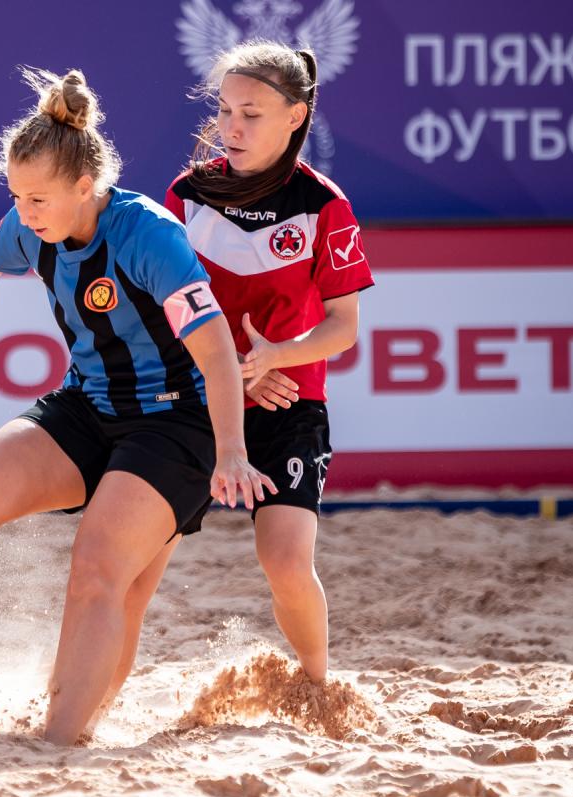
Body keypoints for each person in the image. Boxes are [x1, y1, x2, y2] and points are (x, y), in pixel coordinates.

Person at [0, 66, 274, 746]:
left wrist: (230, 451)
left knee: (106, 574)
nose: (24, 213)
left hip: (177, 424)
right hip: (90, 404)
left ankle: (59, 745)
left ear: (85, 186)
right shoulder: (33, 225)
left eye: (37, 198)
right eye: (16, 197)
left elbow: (217, 349)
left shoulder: (148, 236)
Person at [163, 42, 375, 684]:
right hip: (194, 395)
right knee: (139, 560)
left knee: (285, 563)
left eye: (251, 114)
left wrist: (276, 355)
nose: (231, 126)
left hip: (288, 400)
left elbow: (343, 327)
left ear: (295, 116)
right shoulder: (187, 194)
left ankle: (318, 684)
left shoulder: (324, 205)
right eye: (225, 110)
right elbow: (157, 303)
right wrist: (228, 366)